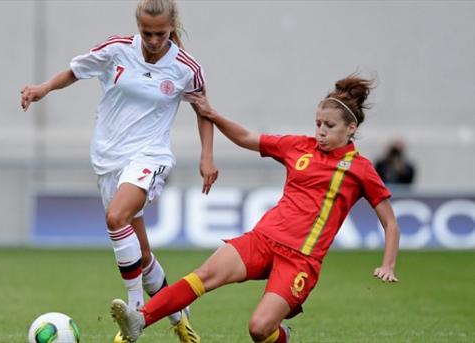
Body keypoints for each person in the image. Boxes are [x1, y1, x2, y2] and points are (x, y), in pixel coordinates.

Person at [110, 75, 401, 343]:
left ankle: (282, 336)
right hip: (263, 239)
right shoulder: (299, 146)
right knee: (205, 274)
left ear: (351, 128)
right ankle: (140, 319)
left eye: (330, 126)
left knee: (259, 329)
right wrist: (212, 114)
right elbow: (247, 138)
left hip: (300, 259)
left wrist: (387, 264)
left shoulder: (360, 169)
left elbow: (389, 222)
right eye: (318, 124)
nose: (321, 132)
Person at [20, 1, 218, 342]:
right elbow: (76, 70)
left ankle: (135, 314)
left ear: (172, 27)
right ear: (137, 26)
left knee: (115, 218)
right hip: (108, 159)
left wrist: (207, 157)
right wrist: (43, 88)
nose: (153, 40)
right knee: (141, 256)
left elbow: (203, 110)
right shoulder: (116, 50)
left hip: (149, 156)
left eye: (160, 33)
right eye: (146, 33)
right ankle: (179, 320)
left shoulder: (186, 68)